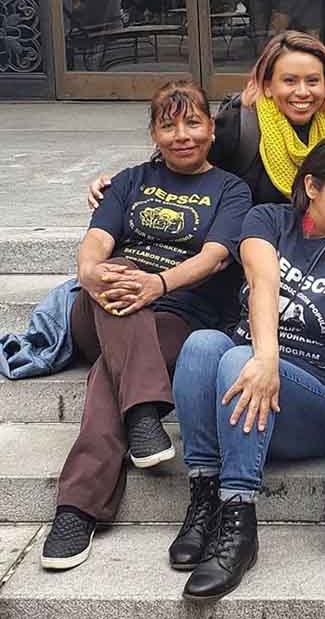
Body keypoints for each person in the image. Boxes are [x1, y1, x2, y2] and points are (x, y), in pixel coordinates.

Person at [40, 81, 252, 571]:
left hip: (177, 315)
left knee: (106, 376)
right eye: (168, 125)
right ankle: (142, 415)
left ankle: (75, 509)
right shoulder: (130, 181)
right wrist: (90, 273)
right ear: (154, 134)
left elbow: (215, 257)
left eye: (193, 122)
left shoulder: (230, 189)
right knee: (119, 271)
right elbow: (96, 242)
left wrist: (156, 284)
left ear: (211, 129)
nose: (182, 135)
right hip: (102, 307)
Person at [169, 135, 325, 601]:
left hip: (314, 401)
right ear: (312, 185)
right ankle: (205, 498)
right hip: (247, 380)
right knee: (202, 344)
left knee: (237, 356)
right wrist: (266, 356)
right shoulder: (269, 219)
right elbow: (263, 281)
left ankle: (239, 520)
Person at [88, 30, 325, 208]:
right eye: (289, 81)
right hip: (253, 247)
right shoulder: (242, 123)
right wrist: (119, 188)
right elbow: (183, 163)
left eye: (313, 81)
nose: (302, 92)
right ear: (267, 86)